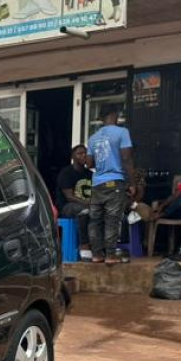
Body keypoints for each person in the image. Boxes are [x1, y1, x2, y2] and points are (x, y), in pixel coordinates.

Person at [86, 104, 134, 263]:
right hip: (114, 181)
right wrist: (131, 182)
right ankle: (111, 255)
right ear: (115, 114)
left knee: (95, 220)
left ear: (101, 118)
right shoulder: (122, 132)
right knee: (112, 219)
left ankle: (97, 254)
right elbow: (126, 158)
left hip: (97, 183)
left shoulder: (93, 138)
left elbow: (89, 164)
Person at [56, 144, 93, 240]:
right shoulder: (66, 173)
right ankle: (84, 245)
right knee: (85, 211)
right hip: (68, 206)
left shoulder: (90, 174)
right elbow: (69, 197)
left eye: (85, 153)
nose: (84, 155)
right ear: (73, 157)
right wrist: (88, 203)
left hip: (87, 204)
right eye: (79, 153)